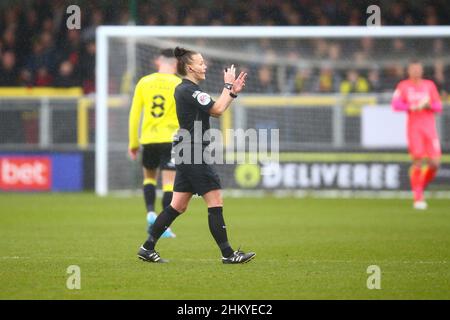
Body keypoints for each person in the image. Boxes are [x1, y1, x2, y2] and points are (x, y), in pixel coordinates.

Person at [137, 47, 255, 264]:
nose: (205, 66)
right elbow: (218, 110)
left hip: (186, 151)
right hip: (193, 152)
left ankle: (147, 247)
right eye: (201, 63)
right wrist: (228, 86)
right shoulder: (189, 90)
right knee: (215, 200)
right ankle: (228, 254)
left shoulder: (189, 90)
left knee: (177, 206)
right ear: (190, 67)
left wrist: (232, 92)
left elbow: (217, 109)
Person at [129, 49, 181, 238]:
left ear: (159, 61)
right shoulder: (178, 83)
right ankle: (164, 226)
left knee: (149, 178)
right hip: (170, 139)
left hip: (149, 139)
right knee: (169, 183)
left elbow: (134, 115)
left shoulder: (144, 82)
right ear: (175, 64)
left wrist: (133, 143)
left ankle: (150, 213)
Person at [391, 59, 442, 210]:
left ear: (421, 70)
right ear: (409, 71)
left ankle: (419, 186)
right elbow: (395, 105)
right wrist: (412, 106)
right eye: (413, 69)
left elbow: (438, 106)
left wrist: (428, 105)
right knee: (418, 160)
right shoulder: (403, 86)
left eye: (418, 69)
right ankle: (418, 196)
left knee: (435, 163)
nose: (416, 72)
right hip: (414, 129)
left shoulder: (429, 85)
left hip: (430, 129)